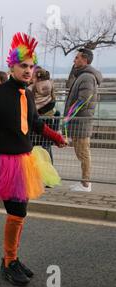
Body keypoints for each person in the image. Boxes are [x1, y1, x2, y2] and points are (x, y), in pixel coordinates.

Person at [0, 33, 67, 287]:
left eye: (32, 66)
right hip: (5, 163)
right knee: (16, 212)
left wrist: (56, 137)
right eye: (24, 66)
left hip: (26, 161)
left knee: (21, 212)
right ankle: (9, 261)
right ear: (12, 66)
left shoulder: (27, 95)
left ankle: (13, 258)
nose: (29, 71)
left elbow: (36, 124)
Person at [64, 48, 103, 193]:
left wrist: (68, 116)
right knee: (81, 152)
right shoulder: (83, 75)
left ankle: (86, 184)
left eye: (77, 58)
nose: (74, 60)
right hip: (80, 122)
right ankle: (84, 182)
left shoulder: (86, 77)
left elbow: (83, 100)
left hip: (81, 123)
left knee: (83, 153)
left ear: (84, 60)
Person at [28, 67, 60, 163]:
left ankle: (36, 169)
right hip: (49, 120)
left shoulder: (32, 88)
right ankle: (50, 166)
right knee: (46, 146)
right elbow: (53, 102)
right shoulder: (50, 87)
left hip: (37, 122)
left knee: (34, 148)